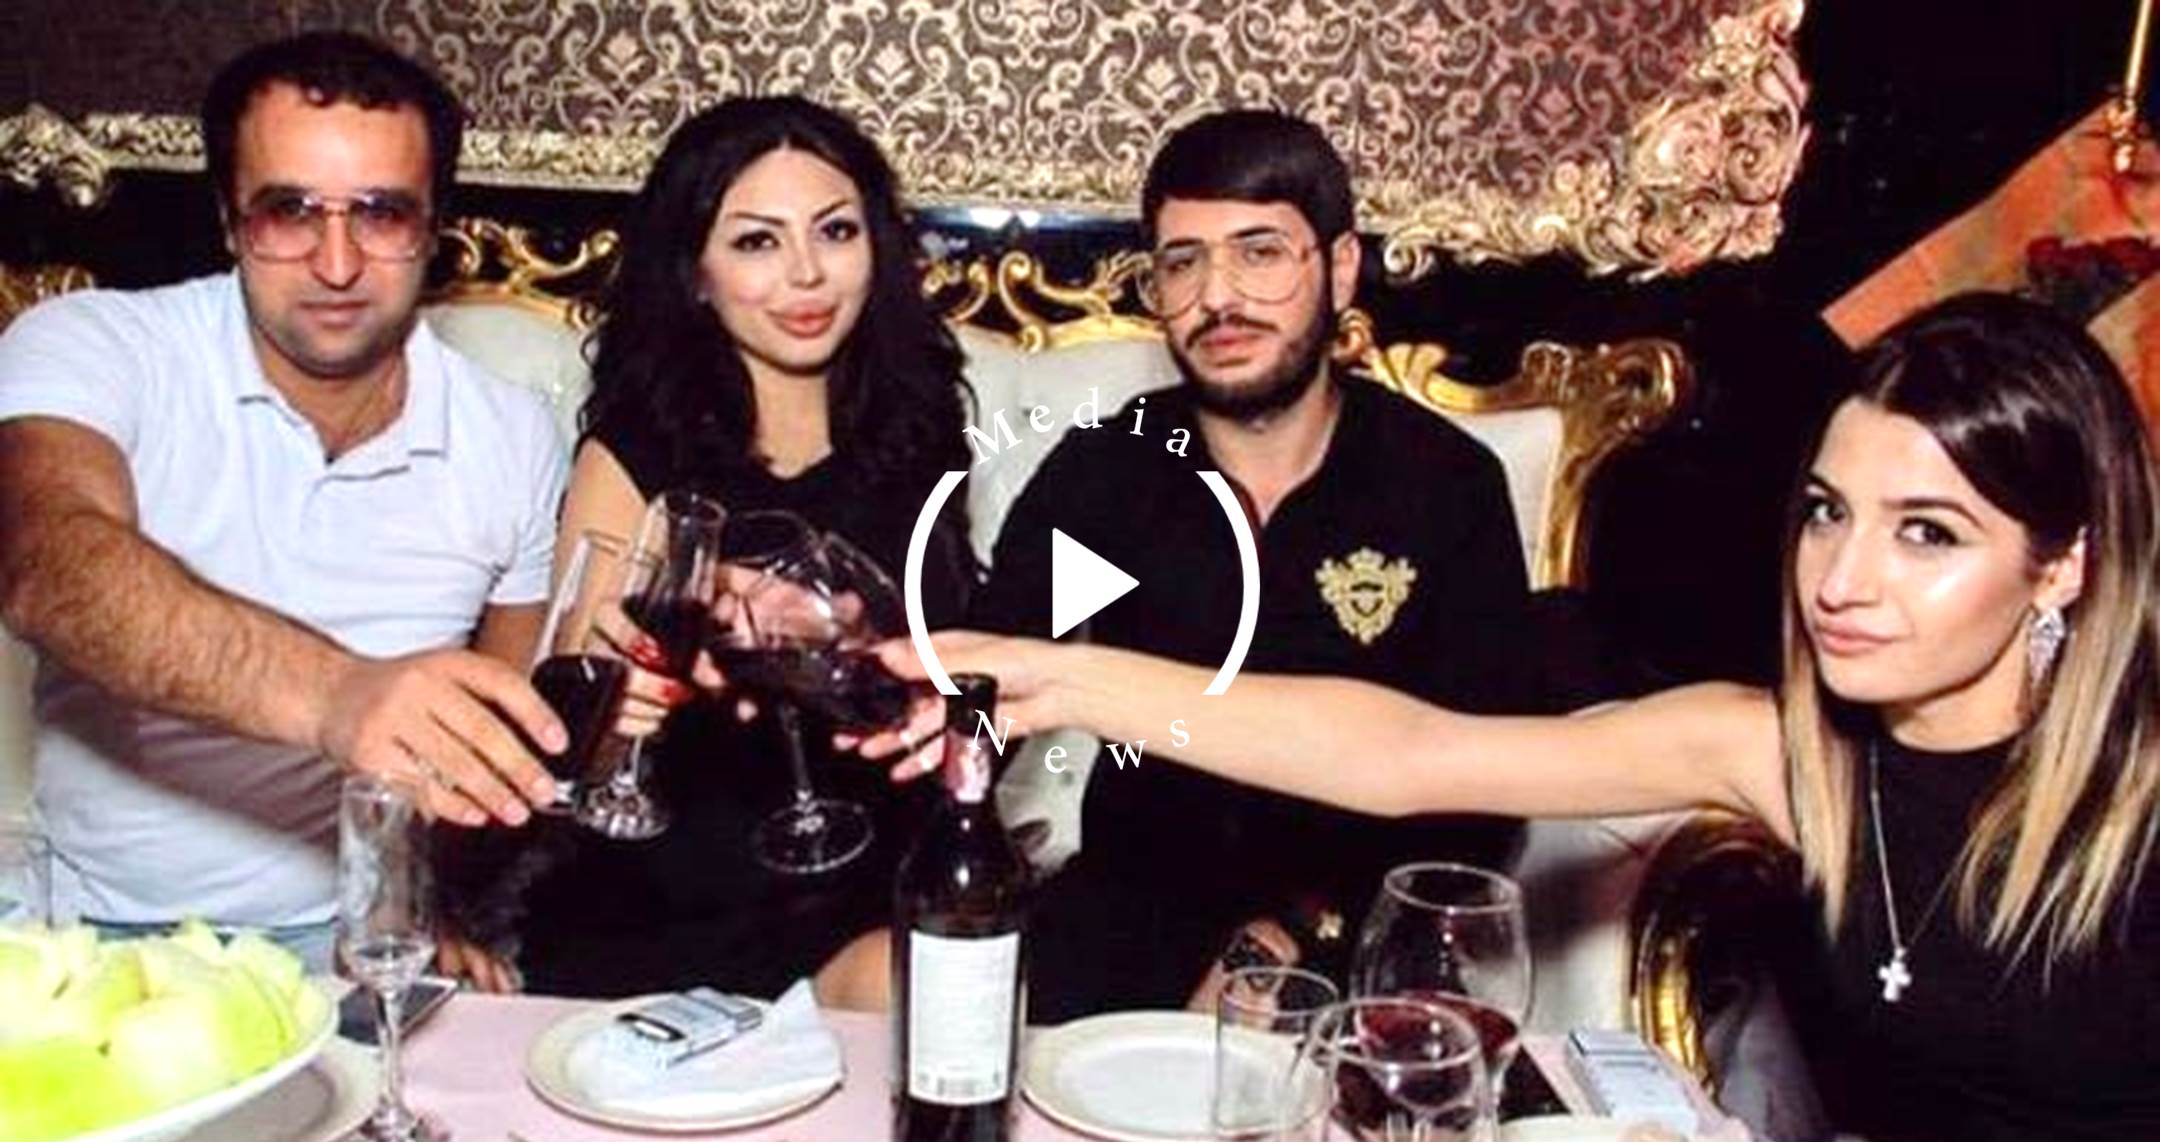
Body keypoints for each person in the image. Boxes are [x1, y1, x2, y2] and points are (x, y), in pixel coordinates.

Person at [870, 292, 2160, 1139]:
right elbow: (1408, 753)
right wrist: (1057, 676)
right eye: (1829, 511)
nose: (1841, 579)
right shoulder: (1790, 753)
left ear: (2064, 564)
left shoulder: (2139, 803)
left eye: (1928, 533)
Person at [0, 33, 569, 969]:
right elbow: (49, 565)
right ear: (229, 221)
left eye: (381, 213)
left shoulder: (513, 433)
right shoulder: (95, 345)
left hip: (356, 943)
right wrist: (339, 695)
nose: (336, 264)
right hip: (94, 933)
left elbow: (499, 741)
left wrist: (421, 910)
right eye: (289, 210)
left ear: (434, 229)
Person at [963, 110, 1536, 1019]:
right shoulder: (1109, 472)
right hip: (1124, 923)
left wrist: (1290, 937)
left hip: (1363, 932)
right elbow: (988, 689)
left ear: (1340, 268)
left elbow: (1487, 788)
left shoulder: (1443, 483)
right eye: (1183, 262)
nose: (1217, 298)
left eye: (1259, 253)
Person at [460, 95, 975, 1001]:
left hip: (874, 877)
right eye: (757, 242)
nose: (807, 275)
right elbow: (583, 727)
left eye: (835, 231)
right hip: (675, 897)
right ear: (695, 273)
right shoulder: (638, 452)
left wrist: (872, 656)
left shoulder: (920, 435)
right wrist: (635, 681)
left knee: (944, 991)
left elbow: (952, 679)